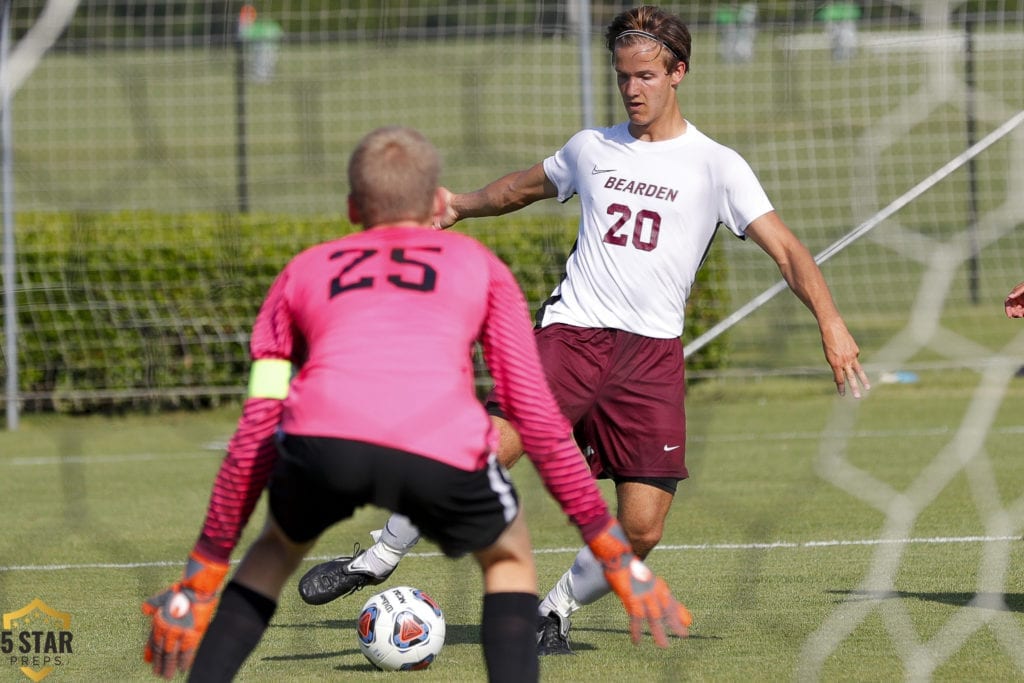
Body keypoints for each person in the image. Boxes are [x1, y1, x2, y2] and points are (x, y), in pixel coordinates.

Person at [299, 4, 870, 657]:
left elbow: (788, 250)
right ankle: (378, 556)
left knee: (643, 526)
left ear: (679, 72)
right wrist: (459, 204)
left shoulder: (718, 165)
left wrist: (830, 320)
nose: (632, 88)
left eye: (647, 75)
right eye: (624, 75)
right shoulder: (591, 147)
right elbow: (520, 187)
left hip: (651, 358)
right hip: (572, 336)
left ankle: (554, 610)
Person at [139, 126, 691, 682]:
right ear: (434, 203)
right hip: (431, 453)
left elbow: (257, 427)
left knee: (271, 553)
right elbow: (538, 421)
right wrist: (609, 547)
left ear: (354, 209)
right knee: (506, 557)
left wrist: (203, 572)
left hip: (324, 445)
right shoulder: (480, 270)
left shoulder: (300, 274)